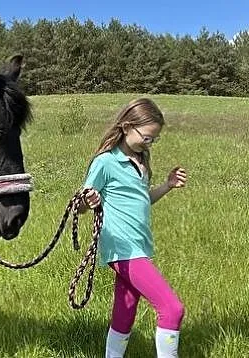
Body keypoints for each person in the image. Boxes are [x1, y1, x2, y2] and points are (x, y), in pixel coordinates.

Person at [79, 98, 187, 358]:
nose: (149, 143)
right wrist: (89, 199)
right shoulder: (105, 162)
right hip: (123, 248)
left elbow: (142, 200)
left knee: (124, 314)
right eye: (147, 137)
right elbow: (81, 204)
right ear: (127, 127)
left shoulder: (140, 160)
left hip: (139, 247)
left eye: (154, 140)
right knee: (172, 309)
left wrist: (167, 185)